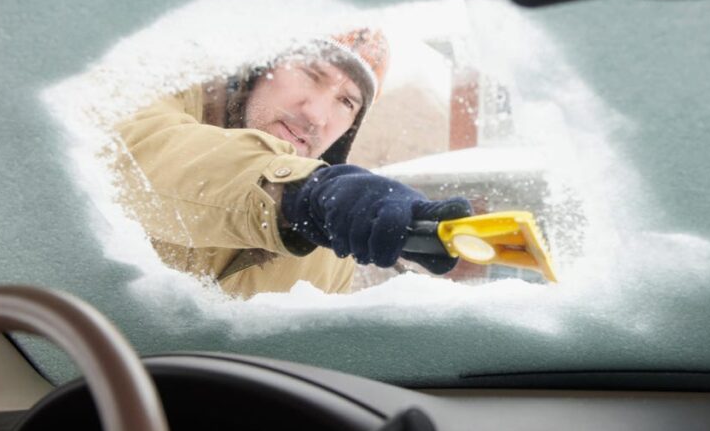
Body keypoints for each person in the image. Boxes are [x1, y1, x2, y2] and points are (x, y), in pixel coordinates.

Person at [114, 28, 472, 298]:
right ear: (261, 68)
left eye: (346, 102)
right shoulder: (152, 97)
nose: (317, 115)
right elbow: (140, 161)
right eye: (311, 74)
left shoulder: (332, 252)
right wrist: (300, 194)